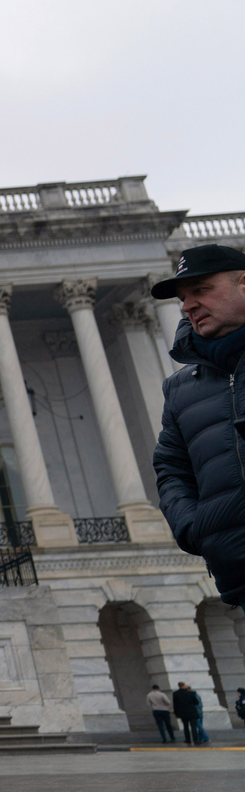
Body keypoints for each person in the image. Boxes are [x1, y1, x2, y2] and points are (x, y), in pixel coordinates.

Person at [151, 244, 245, 605]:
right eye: (183, 298)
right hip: (238, 575)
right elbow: (172, 469)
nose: (188, 305)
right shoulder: (181, 387)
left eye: (202, 290)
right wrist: (195, 528)